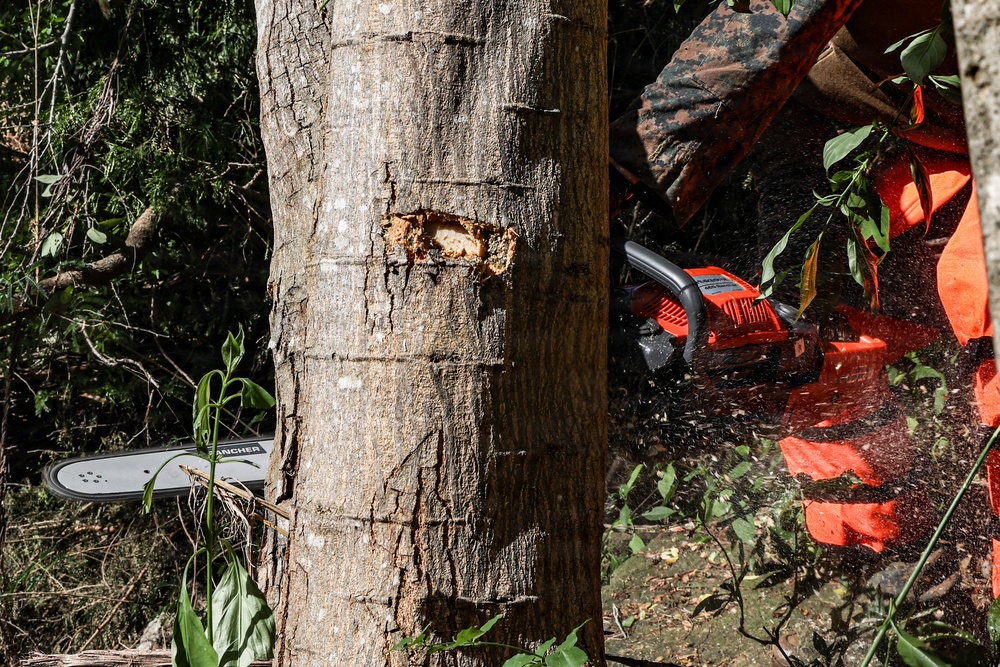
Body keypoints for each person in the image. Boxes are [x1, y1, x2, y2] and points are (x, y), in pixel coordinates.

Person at [610, 0, 1000, 594]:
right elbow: (786, 77)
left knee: (977, 288)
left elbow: (758, 31)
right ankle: (888, 548)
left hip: (958, 109)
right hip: (876, 129)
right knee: (812, 346)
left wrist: (620, 172)